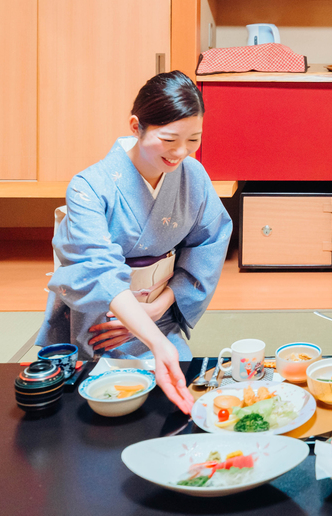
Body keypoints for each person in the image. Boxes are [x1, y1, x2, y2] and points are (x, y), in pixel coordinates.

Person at [35, 70, 232, 413]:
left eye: (193, 140)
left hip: (161, 318)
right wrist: (146, 333)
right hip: (101, 325)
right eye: (169, 140)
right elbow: (97, 271)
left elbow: (208, 246)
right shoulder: (89, 187)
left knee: (172, 413)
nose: (181, 152)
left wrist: (156, 312)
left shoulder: (194, 177)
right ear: (135, 126)